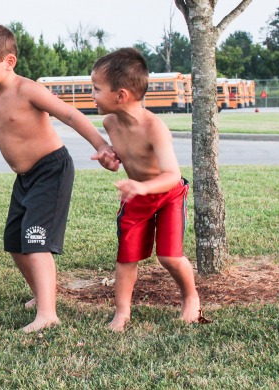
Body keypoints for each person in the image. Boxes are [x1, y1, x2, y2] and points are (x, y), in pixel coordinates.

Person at [0, 24, 119, 333]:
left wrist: (102, 145)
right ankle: (41, 294)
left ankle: (47, 313)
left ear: (8, 61)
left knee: (36, 240)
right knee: (15, 241)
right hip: (25, 178)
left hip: (50, 170)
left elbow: (70, 115)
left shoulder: (28, 90)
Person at [89, 48, 201, 332]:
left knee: (170, 256)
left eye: (96, 88)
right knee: (126, 256)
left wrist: (142, 186)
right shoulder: (110, 123)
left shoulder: (155, 128)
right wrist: (109, 161)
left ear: (121, 95)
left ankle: (190, 296)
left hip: (167, 195)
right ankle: (122, 312)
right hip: (136, 197)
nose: (92, 94)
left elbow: (173, 176)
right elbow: (120, 163)